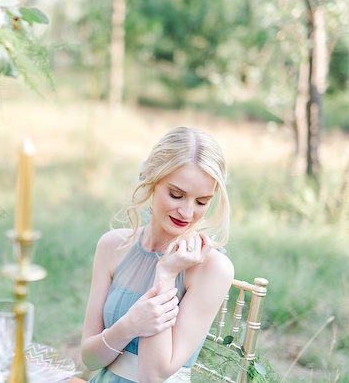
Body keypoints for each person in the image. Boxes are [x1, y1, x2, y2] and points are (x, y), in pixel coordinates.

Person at [81, 126, 234, 383]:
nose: (186, 212)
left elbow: (152, 376)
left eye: (201, 202)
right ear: (152, 180)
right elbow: (89, 358)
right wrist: (128, 325)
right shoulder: (112, 246)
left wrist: (167, 273)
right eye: (176, 195)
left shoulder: (213, 269)